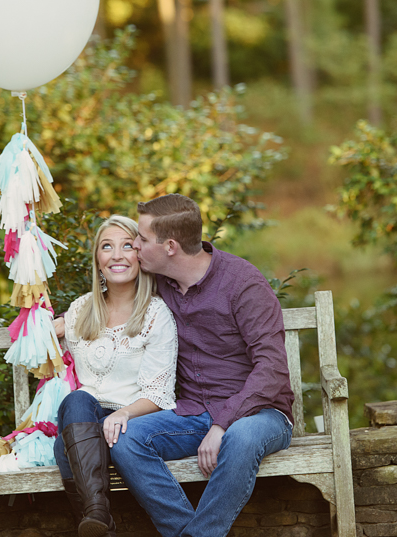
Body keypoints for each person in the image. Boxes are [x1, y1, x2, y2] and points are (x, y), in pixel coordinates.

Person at [109, 194, 295, 537]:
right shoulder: (159, 284)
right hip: (194, 413)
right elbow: (110, 304)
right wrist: (62, 323)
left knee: (241, 436)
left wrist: (222, 424)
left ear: (170, 246)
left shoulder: (243, 284)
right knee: (126, 439)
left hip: (259, 414)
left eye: (142, 239)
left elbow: (272, 369)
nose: (135, 246)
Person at [52, 215, 178, 537]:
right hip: (86, 423)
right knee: (77, 400)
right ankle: (98, 513)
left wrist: (122, 413)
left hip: (131, 423)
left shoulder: (155, 314)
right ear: (97, 259)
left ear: (140, 256)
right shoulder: (80, 310)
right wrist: (46, 330)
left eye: (127, 246)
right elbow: (31, 348)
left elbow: (159, 393)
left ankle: (100, 521)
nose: (117, 255)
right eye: (107, 247)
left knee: (66, 447)